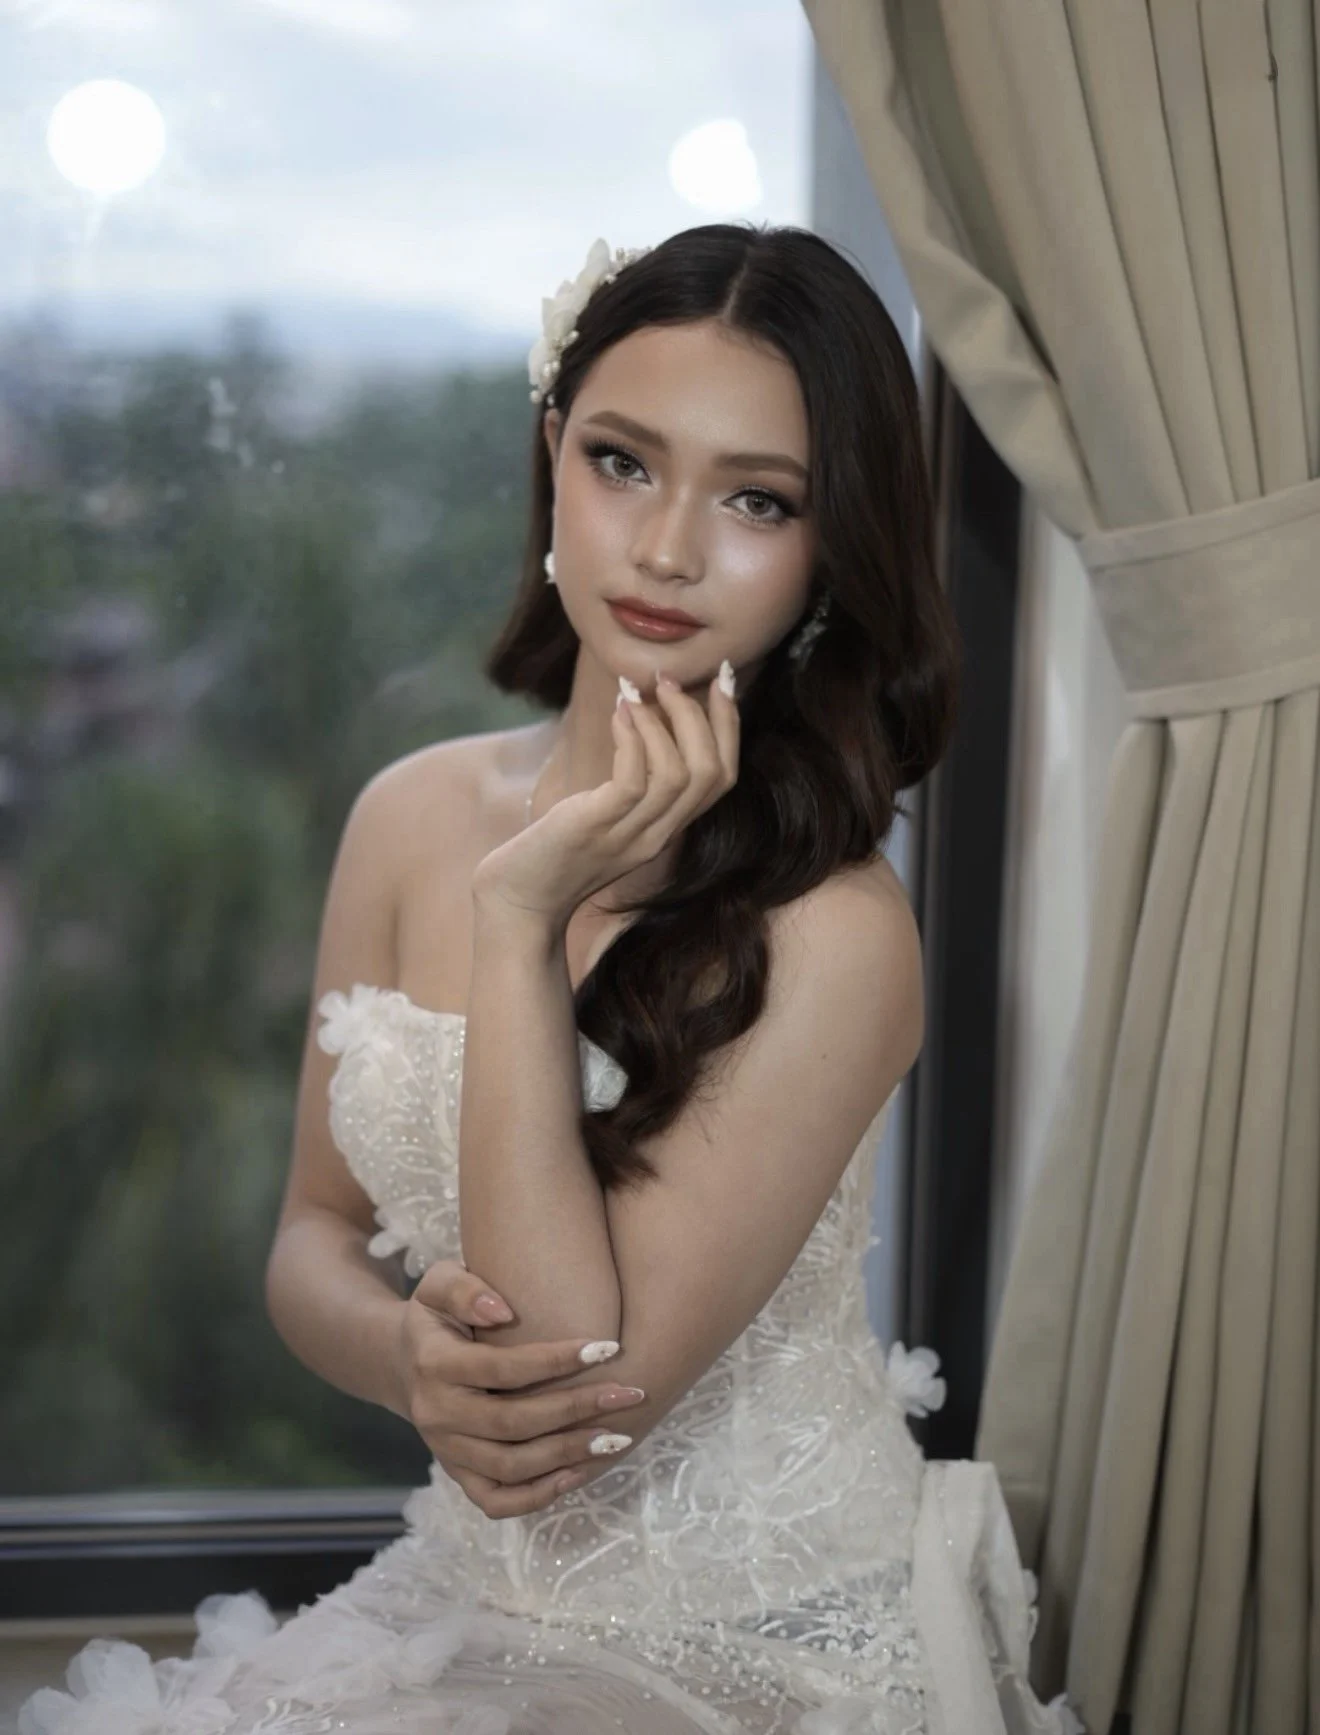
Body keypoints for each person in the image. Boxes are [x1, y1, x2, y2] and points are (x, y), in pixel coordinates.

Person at [20, 223, 1081, 1735]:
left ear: (832, 546)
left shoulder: (838, 927)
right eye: (624, 462)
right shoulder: (406, 814)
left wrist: (524, 921)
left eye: (757, 499)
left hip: (746, 1640)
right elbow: (310, 1236)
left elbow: (572, 1387)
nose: (665, 549)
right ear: (550, 461)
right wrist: (401, 1354)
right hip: (461, 1595)